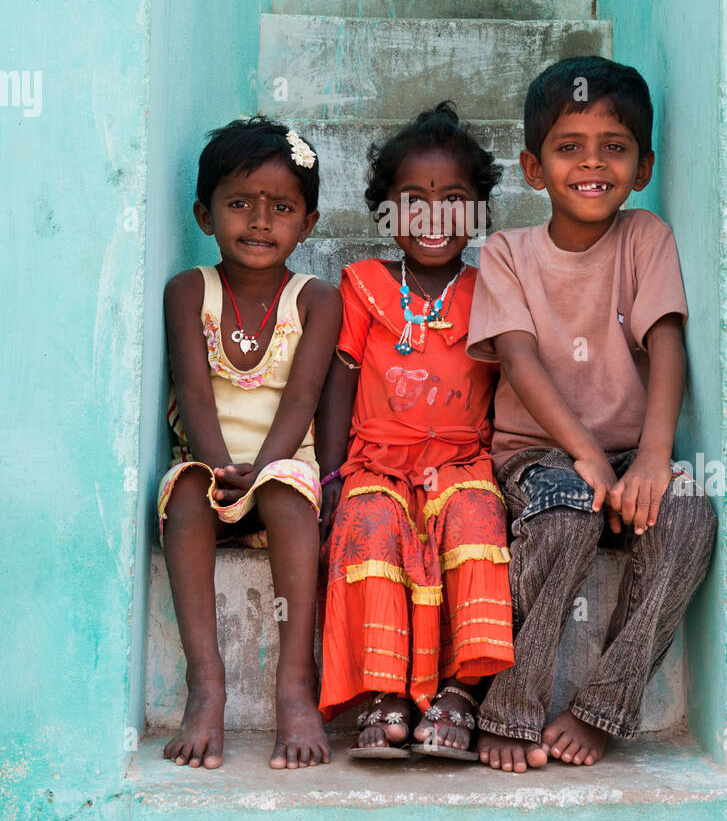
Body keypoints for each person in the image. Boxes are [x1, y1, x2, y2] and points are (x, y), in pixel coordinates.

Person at [466, 57, 718, 773]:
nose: (592, 163)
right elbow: (518, 360)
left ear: (643, 167)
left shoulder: (646, 237)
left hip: (629, 455)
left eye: (615, 146)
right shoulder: (508, 253)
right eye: (569, 146)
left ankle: (604, 704)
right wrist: (582, 454)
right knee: (567, 507)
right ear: (534, 168)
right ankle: (510, 702)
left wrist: (650, 457)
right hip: (537, 453)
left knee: (691, 514)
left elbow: (666, 344)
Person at [316, 103, 514, 759]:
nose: (434, 217)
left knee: (475, 519)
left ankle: (459, 690)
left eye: (454, 199)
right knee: (368, 522)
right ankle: (386, 693)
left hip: (462, 461)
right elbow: (339, 382)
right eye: (413, 200)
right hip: (376, 461)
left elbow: (513, 384)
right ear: (386, 212)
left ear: (480, 214)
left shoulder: (490, 291)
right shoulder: (364, 287)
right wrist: (330, 473)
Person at [158, 116, 341, 771]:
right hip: (209, 467)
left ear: (309, 224)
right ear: (205, 216)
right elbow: (195, 393)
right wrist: (214, 470)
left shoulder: (316, 299)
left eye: (282, 208)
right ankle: (206, 684)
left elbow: (302, 398)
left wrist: (262, 471)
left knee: (292, 496)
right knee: (181, 494)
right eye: (240, 204)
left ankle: (295, 683)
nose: (261, 222)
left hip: (282, 468)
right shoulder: (188, 291)